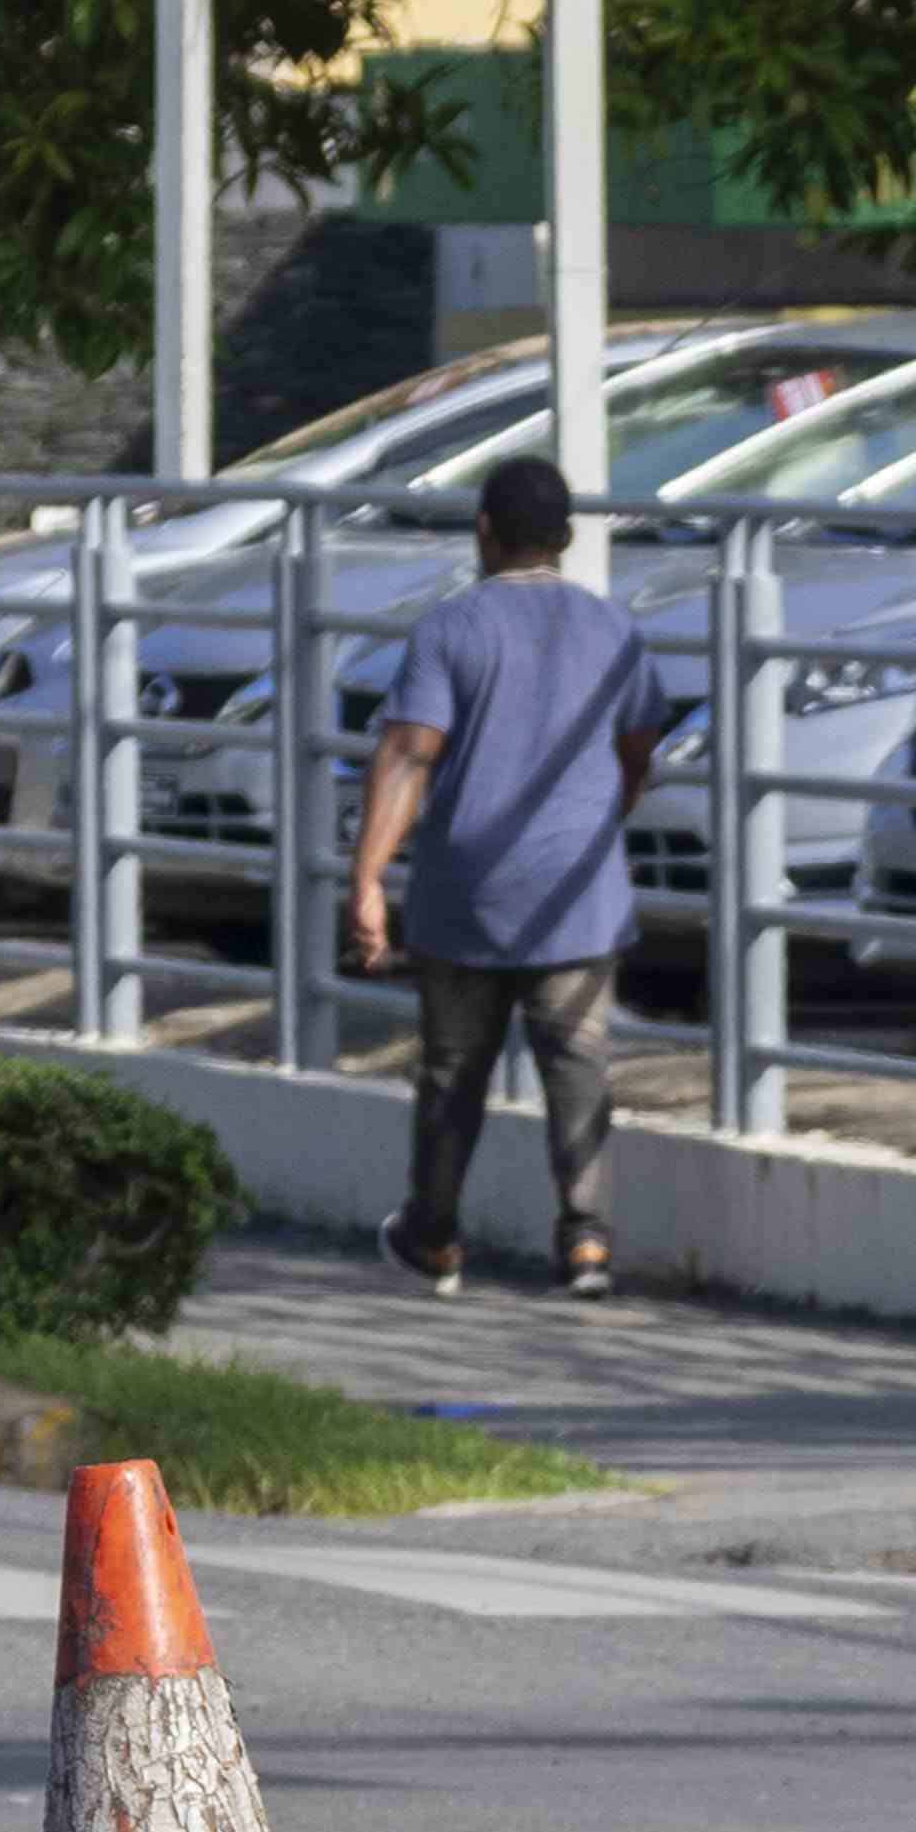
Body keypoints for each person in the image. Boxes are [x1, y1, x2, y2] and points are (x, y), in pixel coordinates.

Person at [345, 454, 668, 1299]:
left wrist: (368, 880)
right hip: (578, 894)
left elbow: (410, 754)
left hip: (466, 893)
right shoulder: (614, 631)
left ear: (485, 531)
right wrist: (600, 824)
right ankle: (587, 1242)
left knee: (454, 1068)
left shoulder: (450, 630)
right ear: (564, 537)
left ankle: (434, 1236)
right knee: (578, 1062)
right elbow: (638, 754)